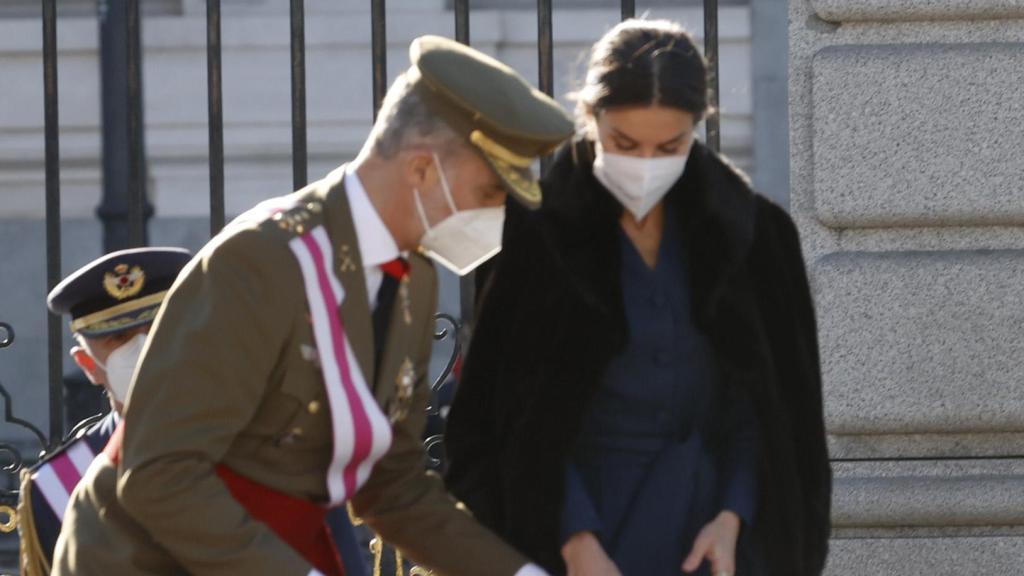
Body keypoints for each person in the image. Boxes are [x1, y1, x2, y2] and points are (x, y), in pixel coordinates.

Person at [52, 34, 573, 576]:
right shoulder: (265, 259)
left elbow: (391, 488)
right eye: (490, 192)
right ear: (421, 169)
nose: (498, 214)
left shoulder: (413, 279)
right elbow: (160, 476)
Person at [444, 19, 832, 576]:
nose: (645, 165)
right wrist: (574, 541)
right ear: (591, 118)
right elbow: (505, 412)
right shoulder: (538, 235)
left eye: (668, 146)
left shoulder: (753, 235)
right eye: (624, 144)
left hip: (716, 541)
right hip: (575, 533)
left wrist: (733, 517)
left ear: (697, 128)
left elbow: (772, 409)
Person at [17, 247, 191, 576]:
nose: (144, 348)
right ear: (88, 365)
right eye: (118, 338)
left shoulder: (258, 441)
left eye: (157, 328)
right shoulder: (58, 485)